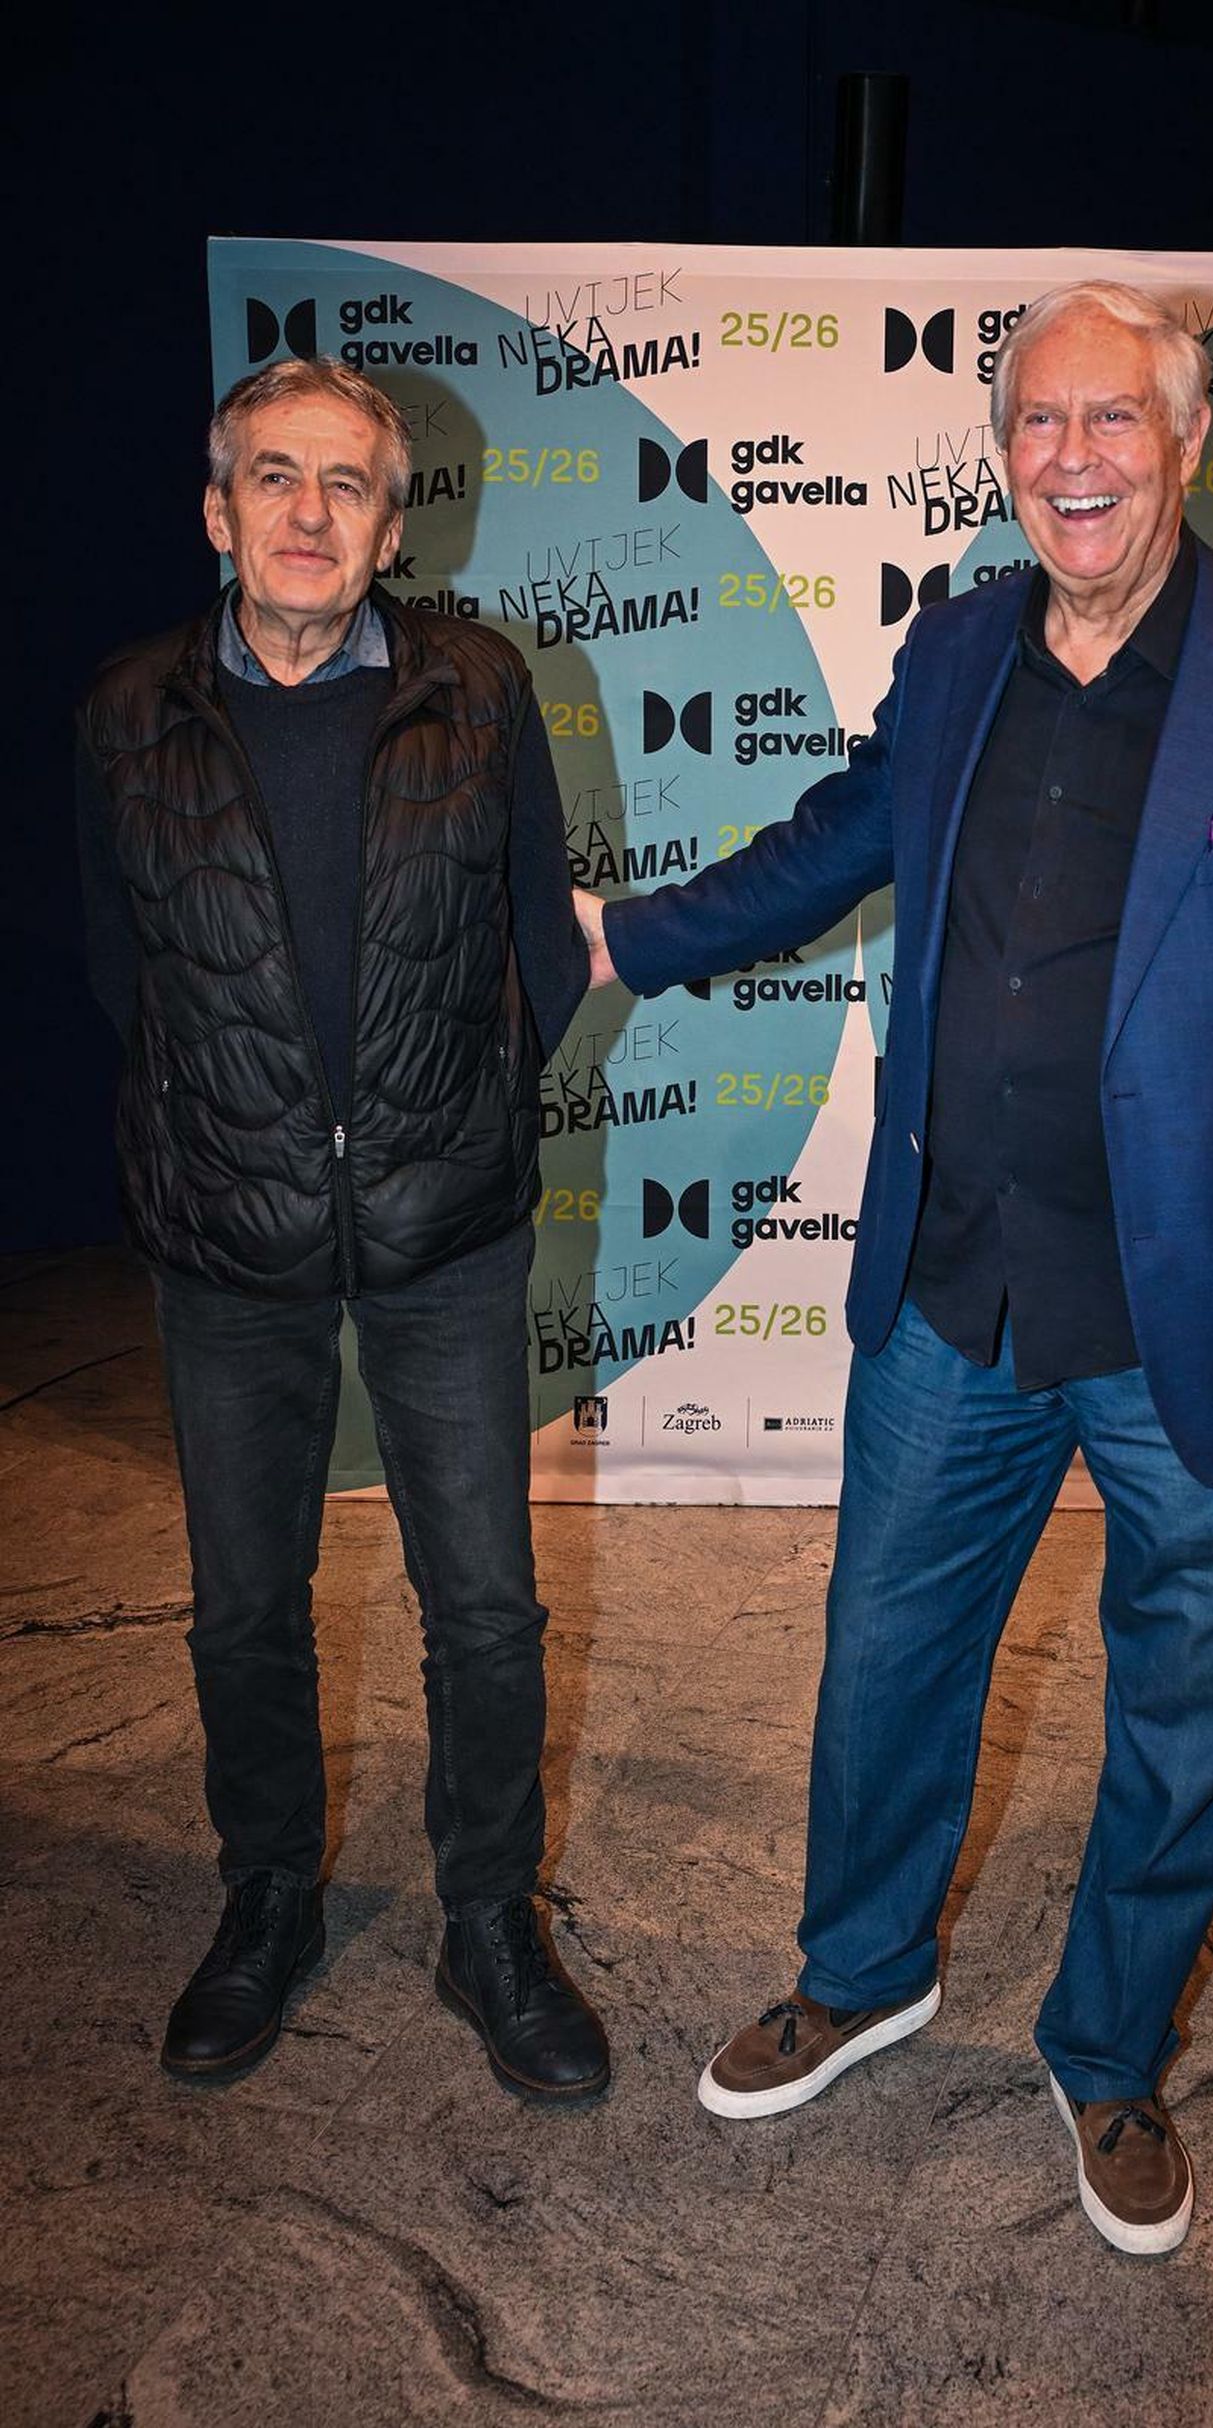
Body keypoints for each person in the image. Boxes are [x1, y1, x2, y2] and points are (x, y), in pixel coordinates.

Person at [575, 280, 1213, 2251]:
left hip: (1203, 1312)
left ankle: (1113, 2049)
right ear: (1002, 454)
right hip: (953, 1293)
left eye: (1110, 421)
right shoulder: (962, 645)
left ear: (1186, 441)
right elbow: (838, 838)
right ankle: (864, 1967)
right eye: (1037, 424)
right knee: (886, 1659)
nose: (1071, 459)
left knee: (1186, 1708)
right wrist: (634, 937)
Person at [77, 356, 609, 2103]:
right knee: (244, 1606)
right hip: (227, 1229)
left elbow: (541, 948)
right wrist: (233, 1131)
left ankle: (488, 1921)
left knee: (488, 1606)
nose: (309, 513)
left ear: (392, 526)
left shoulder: (483, 686)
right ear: (217, 509)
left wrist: (448, 1122)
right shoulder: (125, 711)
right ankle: (268, 1899)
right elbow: (119, 968)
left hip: (445, 1226)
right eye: (274, 477)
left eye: (348, 484)